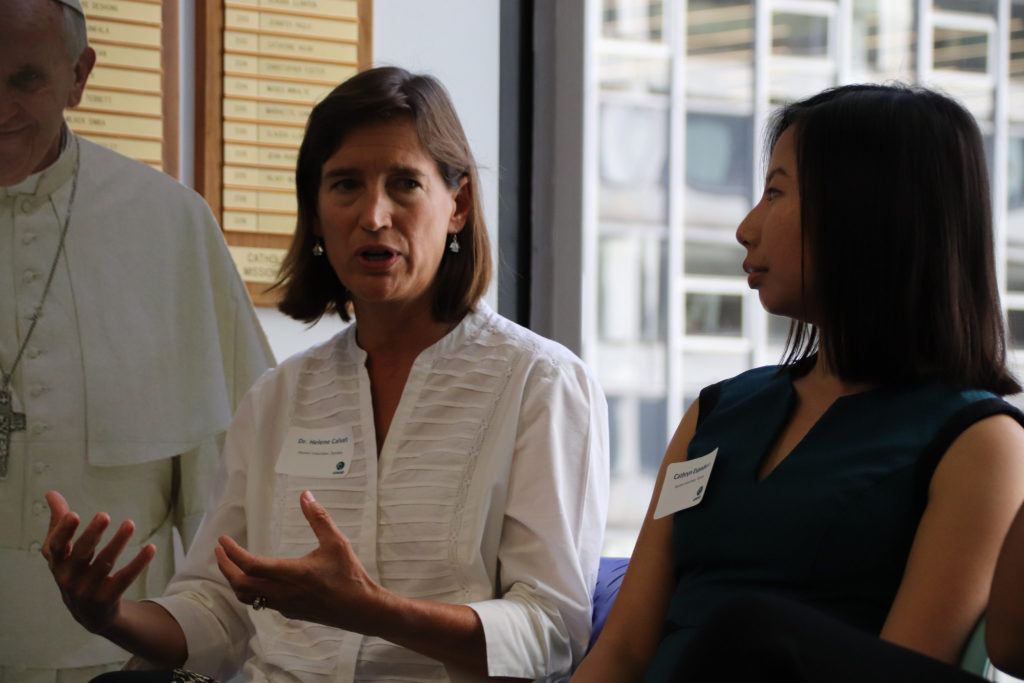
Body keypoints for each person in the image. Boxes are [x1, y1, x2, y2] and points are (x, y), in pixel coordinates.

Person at [42, 66, 610, 683]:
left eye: (404, 185)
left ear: (458, 206)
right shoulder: (279, 396)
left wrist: (372, 611)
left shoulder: (541, 384)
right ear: (315, 214)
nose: (373, 215)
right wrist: (110, 615)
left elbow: (550, 633)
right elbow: (218, 609)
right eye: (345, 185)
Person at [574, 83, 1024, 682]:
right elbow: (624, 649)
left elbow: (904, 674)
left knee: (754, 633)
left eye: (775, 192)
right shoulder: (717, 413)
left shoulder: (978, 443)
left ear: (865, 214)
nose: (745, 227)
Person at [1, 0, 275, 681]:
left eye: (24, 80)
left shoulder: (167, 223)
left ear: (79, 76)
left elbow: (231, 473)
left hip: (116, 660)